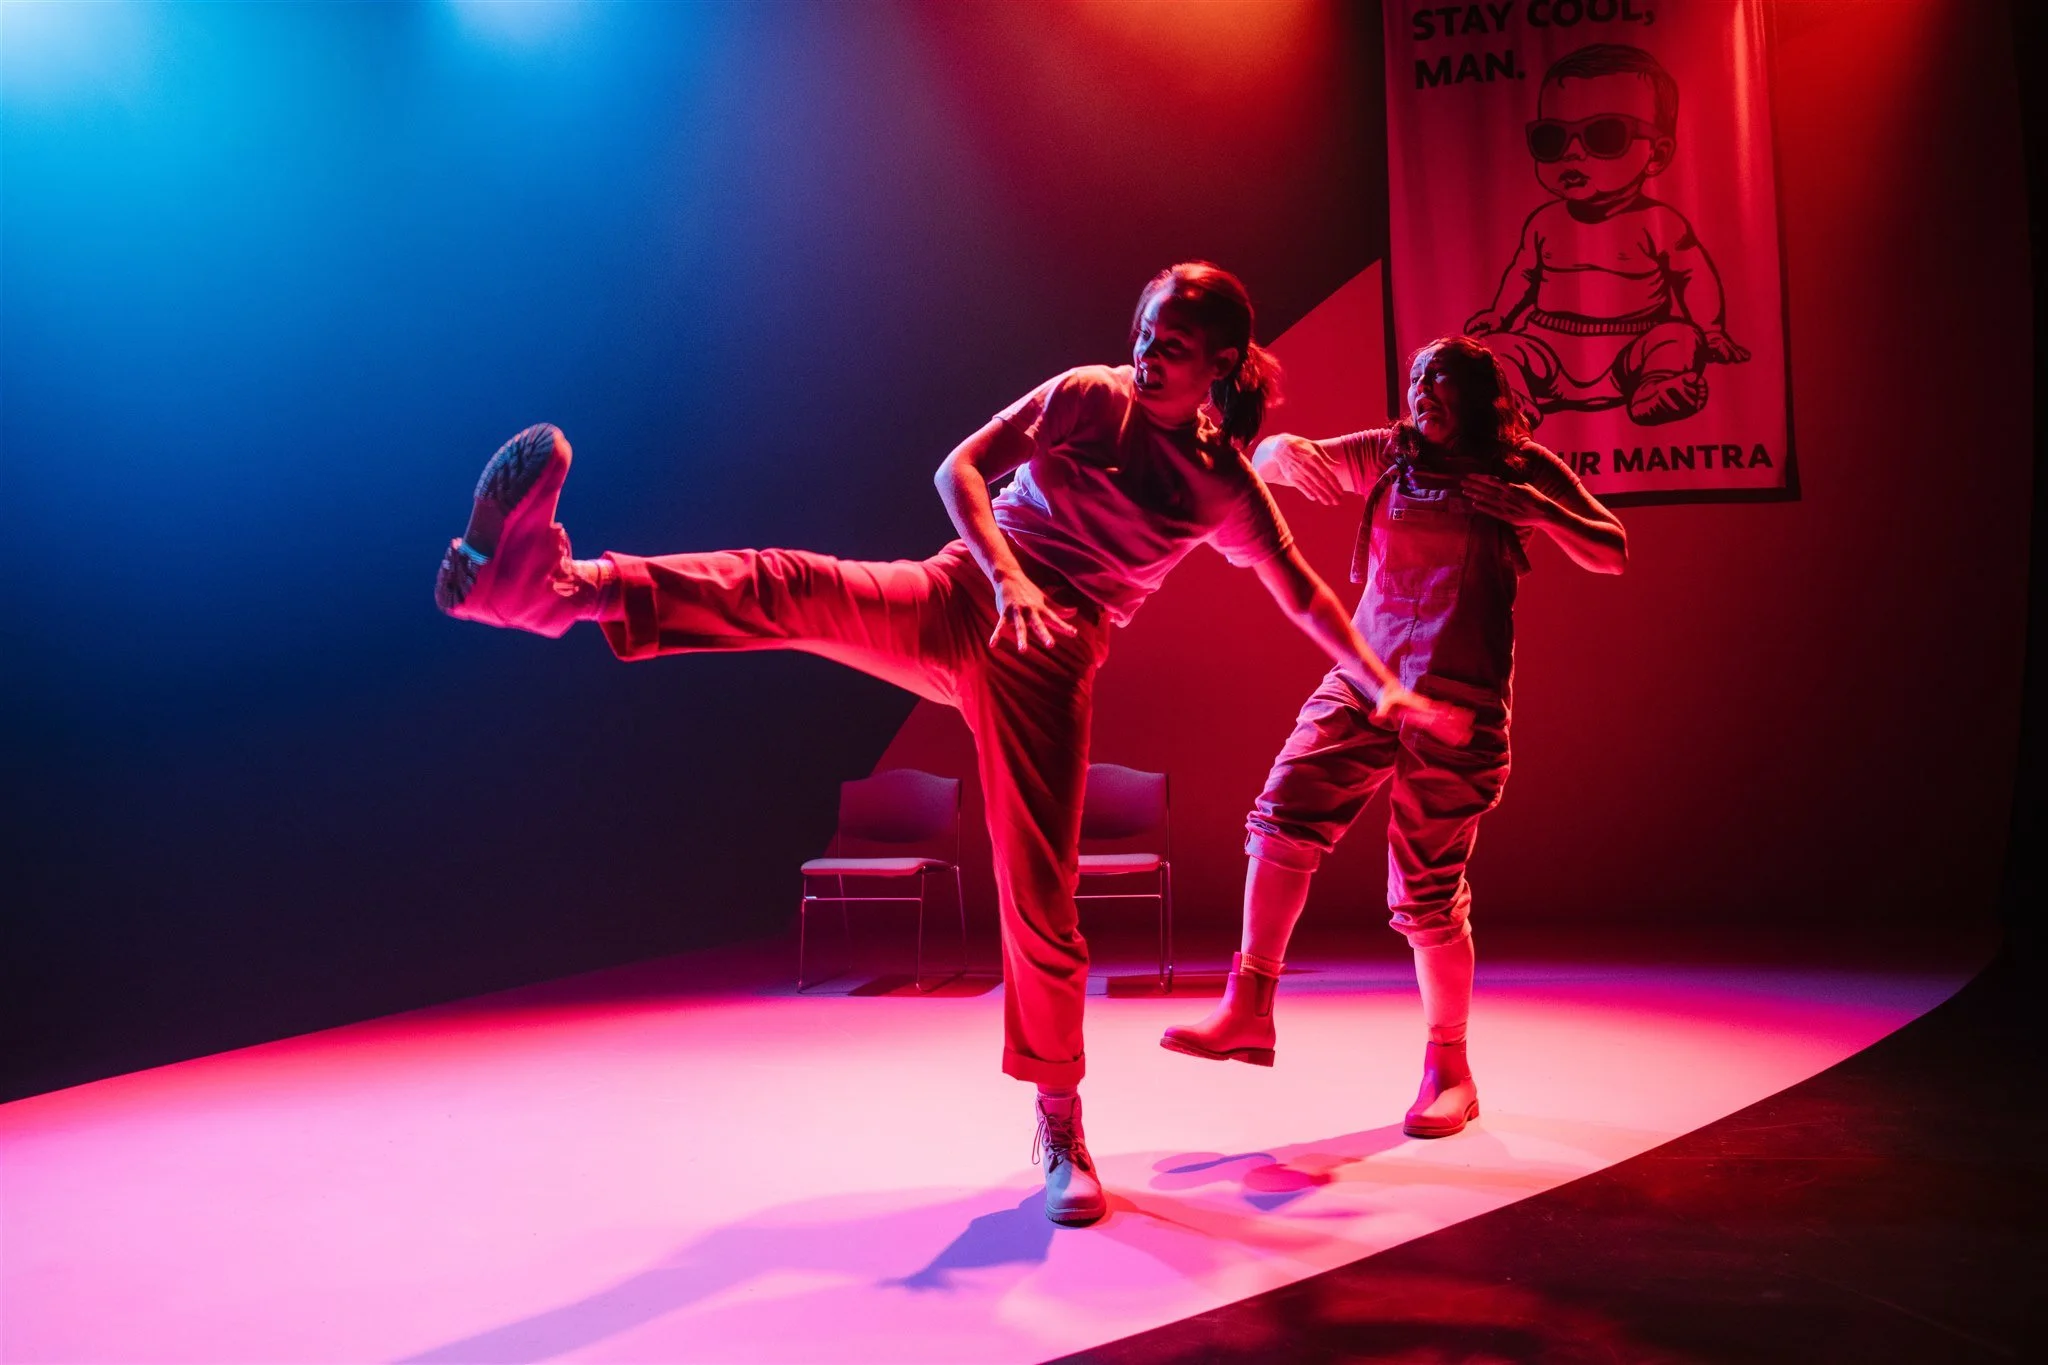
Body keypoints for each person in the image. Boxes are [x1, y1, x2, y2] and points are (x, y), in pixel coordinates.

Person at [434, 263, 1472, 1225]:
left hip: (1049, 654)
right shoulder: (1088, 394)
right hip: (962, 590)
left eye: (1176, 342)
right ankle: (556, 591)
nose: (1150, 351)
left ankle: (1059, 1123)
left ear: (1221, 368)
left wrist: (1387, 689)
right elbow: (959, 472)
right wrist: (1005, 576)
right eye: (1147, 329)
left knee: (1039, 897)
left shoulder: (1221, 487)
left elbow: (1306, 595)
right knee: (790, 583)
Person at [1161, 335, 1626, 1138]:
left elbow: (1612, 551)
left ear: (1482, 397)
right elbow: (1276, 461)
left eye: (1440, 382)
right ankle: (1251, 1003)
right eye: (1416, 380)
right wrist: (1275, 449)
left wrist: (1540, 512)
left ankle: (1450, 1067)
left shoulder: (1522, 468)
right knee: (1280, 816)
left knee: (1425, 897)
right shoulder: (1390, 454)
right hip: (1368, 683)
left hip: (1459, 703)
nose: (1423, 394)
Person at [1465, 43, 1748, 428]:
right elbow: (1523, 274)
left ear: (1658, 154)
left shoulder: (1660, 222)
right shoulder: (1544, 222)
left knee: (1679, 335)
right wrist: (1500, 314)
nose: (1573, 154)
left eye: (1605, 135)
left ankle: (1656, 385)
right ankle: (1517, 402)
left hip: (1632, 348)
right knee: (1498, 349)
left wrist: (1712, 331)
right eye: (1552, 138)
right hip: (1549, 344)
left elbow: (1692, 274)